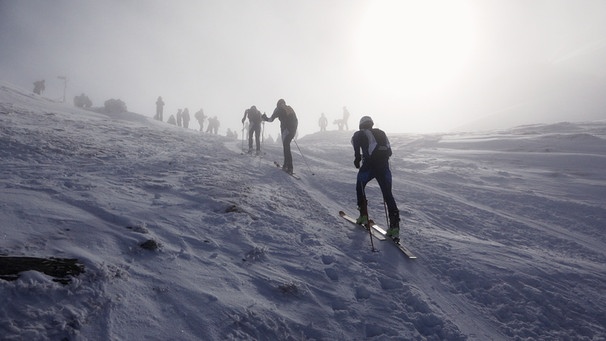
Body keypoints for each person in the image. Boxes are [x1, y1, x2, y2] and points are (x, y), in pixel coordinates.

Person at [351, 116, 400, 241]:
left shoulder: (359, 134)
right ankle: (394, 227)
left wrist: (357, 159)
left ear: (361, 124)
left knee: (360, 186)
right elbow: (389, 152)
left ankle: (363, 215)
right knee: (388, 194)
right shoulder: (381, 133)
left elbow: (356, 147)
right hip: (384, 166)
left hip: (369, 166)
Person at [262, 99, 298, 173]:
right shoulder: (289, 108)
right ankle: (286, 165)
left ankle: (289, 166)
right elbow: (296, 120)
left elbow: (271, 119)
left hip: (286, 130)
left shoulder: (278, 110)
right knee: (286, 146)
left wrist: (264, 118)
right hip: (292, 130)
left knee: (286, 147)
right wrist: (293, 130)